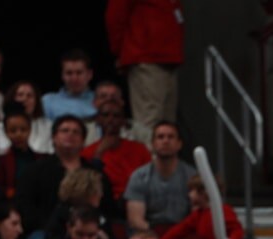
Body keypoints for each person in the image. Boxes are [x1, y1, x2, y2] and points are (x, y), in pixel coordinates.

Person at [105, 0, 185, 139]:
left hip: (169, 58)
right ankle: (146, 160)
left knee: (168, 125)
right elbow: (115, 15)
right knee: (148, 124)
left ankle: (164, 161)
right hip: (146, 57)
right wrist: (120, 50)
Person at [123, 122, 196, 232]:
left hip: (183, 233)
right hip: (149, 233)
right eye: (160, 137)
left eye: (170, 137)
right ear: (153, 144)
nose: (165, 141)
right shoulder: (139, 176)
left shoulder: (192, 176)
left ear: (179, 144)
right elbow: (135, 220)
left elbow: (197, 215)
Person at [79, 98, 150, 199]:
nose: (110, 119)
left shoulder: (139, 149)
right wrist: (99, 153)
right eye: (105, 115)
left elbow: (149, 181)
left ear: (123, 121)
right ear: (98, 120)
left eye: (116, 116)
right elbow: (87, 186)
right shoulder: (87, 152)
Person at [42, 49, 97, 120]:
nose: (74, 78)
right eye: (69, 73)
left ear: (89, 74)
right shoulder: (47, 102)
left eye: (79, 73)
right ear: (62, 75)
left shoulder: (100, 100)